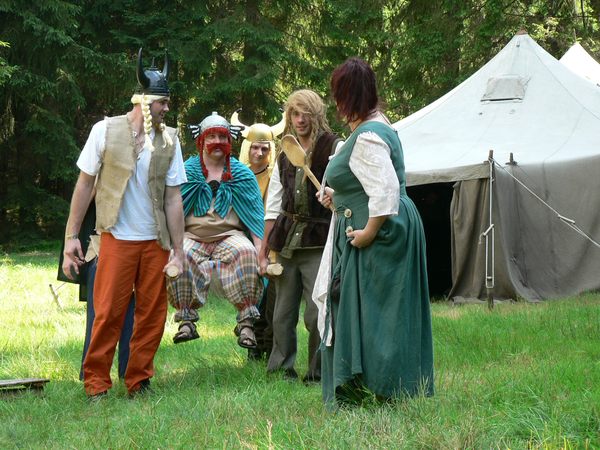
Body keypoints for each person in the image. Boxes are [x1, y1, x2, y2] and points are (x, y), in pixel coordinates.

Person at [62, 48, 186, 399]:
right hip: (116, 238)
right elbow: (84, 184)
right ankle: (96, 383)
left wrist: (178, 251)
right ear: (144, 102)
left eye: (167, 102)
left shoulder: (169, 139)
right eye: (162, 102)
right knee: (107, 313)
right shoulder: (104, 130)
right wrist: (72, 236)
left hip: (155, 242)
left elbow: (173, 198)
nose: (167, 108)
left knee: (151, 316)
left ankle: (139, 380)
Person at [313, 57, 434, 409]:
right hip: (391, 225)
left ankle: (382, 389)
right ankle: (382, 386)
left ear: (346, 96)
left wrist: (368, 232)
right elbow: (368, 185)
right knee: (381, 309)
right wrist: (337, 196)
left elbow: (384, 190)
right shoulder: (378, 125)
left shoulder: (367, 136)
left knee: (379, 313)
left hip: (382, 232)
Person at [258, 89, 340, 382]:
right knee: (282, 313)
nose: (300, 119)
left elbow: (349, 189)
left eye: (306, 113)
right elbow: (273, 206)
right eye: (294, 113)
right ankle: (281, 369)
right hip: (287, 240)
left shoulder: (335, 147)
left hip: (319, 240)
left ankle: (318, 371)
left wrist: (335, 196)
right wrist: (264, 249)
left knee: (317, 311)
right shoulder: (284, 154)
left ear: (317, 114)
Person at [167, 112, 265, 350]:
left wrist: (261, 252)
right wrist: (170, 245)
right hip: (191, 236)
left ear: (230, 141)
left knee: (246, 253)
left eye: (222, 137)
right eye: (211, 137)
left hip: (230, 236)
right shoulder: (186, 171)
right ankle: (186, 321)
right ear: (201, 140)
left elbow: (255, 217)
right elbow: (172, 209)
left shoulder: (241, 174)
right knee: (182, 256)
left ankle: (246, 323)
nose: (217, 142)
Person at [231, 110, 285, 360]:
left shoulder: (276, 176)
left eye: (265, 148)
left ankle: (265, 344)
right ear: (247, 148)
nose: (259, 153)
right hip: (242, 243)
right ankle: (252, 344)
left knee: (269, 297)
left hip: (270, 243)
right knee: (251, 294)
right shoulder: (235, 176)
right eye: (255, 148)